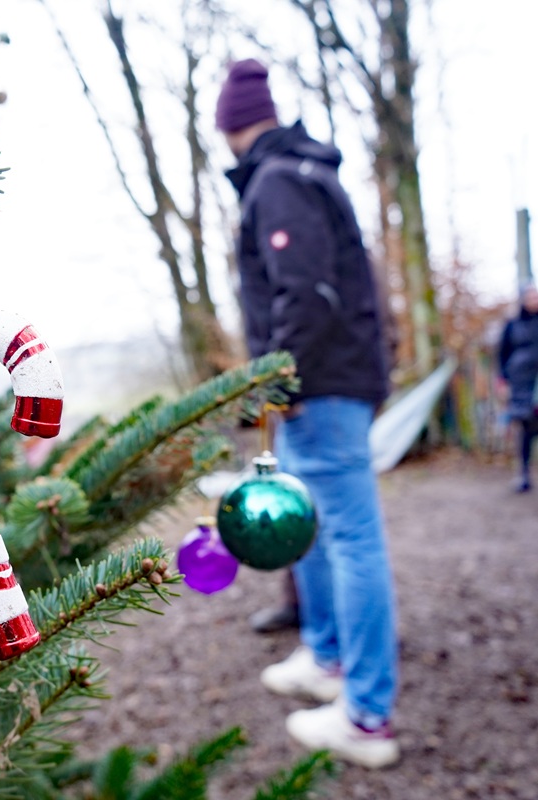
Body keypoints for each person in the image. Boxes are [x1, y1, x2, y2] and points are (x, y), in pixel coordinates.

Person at [215, 58, 400, 768]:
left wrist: (275, 382)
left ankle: (366, 716)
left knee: (350, 537)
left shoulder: (277, 181)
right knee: (317, 529)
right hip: (323, 383)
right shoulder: (299, 172)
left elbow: (305, 293)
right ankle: (326, 656)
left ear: (229, 128)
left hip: (318, 386)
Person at [497, 281, 538, 492]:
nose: (534, 300)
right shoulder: (512, 325)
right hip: (521, 384)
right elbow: (502, 354)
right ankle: (523, 473)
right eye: (531, 296)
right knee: (525, 428)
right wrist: (502, 380)